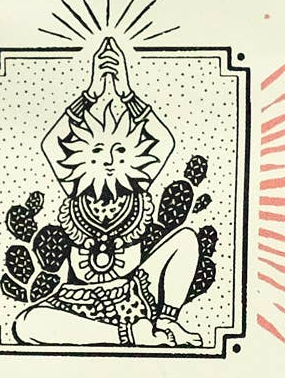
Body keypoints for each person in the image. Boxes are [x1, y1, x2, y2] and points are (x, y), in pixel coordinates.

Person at [12, 34, 204, 348]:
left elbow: (165, 141)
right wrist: (90, 94)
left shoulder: (137, 189)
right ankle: (128, 337)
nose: (110, 160)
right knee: (26, 323)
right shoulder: (76, 190)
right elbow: (50, 144)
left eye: (120, 151)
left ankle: (167, 322)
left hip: (136, 296)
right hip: (78, 303)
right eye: (98, 151)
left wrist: (127, 93)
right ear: (80, 155)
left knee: (186, 239)